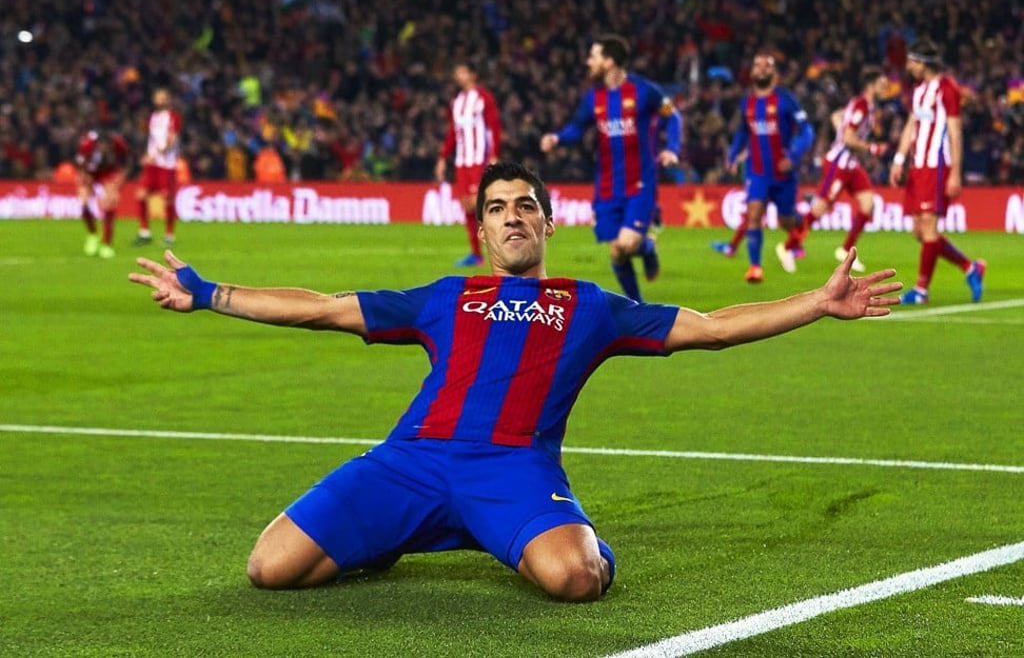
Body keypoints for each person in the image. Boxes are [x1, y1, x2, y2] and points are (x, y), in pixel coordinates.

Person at [129, 162, 901, 603]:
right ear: (482, 228)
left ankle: (565, 533)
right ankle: (394, 535)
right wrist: (210, 294)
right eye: (497, 208)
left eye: (525, 205)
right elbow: (326, 310)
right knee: (270, 570)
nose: (512, 217)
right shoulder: (447, 296)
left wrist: (818, 303)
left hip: (514, 468)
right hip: (414, 458)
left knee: (577, 581)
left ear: (546, 223)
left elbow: (715, 326)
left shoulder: (590, 307)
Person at [540, 34, 681, 302]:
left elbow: (672, 116)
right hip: (607, 185)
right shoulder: (594, 98)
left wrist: (672, 148)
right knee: (617, 251)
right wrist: (557, 137)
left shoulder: (644, 91)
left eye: (593, 56)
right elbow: (578, 127)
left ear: (609, 61)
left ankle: (647, 248)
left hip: (640, 183)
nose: (588, 61)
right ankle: (638, 304)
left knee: (628, 244)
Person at [888, 39, 985, 304]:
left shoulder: (947, 89)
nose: (908, 66)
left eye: (911, 61)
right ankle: (970, 266)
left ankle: (921, 290)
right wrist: (898, 159)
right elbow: (912, 125)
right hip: (917, 166)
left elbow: (954, 131)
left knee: (929, 228)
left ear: (922, 63)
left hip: (937, 165)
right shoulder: (919, 90)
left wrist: (955, 172)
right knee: (920, 232)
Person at [779, 66, 891, 274]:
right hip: (838, 164)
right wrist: (871, 147)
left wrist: (842, 126)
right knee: (819, 209)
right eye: (881, 82)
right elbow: (848, 138)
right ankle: (788, 247)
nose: (885, 86)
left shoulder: (862, 105)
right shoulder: (862, 106)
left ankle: (846, 249)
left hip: (850, 165)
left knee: (868, 204)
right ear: (871, 85)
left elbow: (836, 116)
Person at [714, 52, 814, 283]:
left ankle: (799, 228)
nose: (760, 69)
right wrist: (732, 154)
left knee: (786, 220)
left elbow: (807, 131)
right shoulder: (747, 101)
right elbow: (742, 131)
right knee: (754, 214)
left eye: (766, 66)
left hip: (784, 171)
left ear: (773, 73)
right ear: (751, 72)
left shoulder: (786, 100)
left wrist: (795, 155)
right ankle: (755, 267)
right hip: (757, 171)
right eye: (756, 65)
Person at [435, 61, 502, 267]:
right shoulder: (457, 102)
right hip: (462, 162)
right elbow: (452, 133)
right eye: (458, 72)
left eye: (463, 72)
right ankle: (476, 254)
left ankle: (498, 251)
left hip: (478, 160)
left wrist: (494, 154)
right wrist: (442, 157)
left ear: (473, 74)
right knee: (467, 207)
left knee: (481, 205)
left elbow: (495, 127)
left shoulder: (483, 98)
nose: (459, 76)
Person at [134, 87, 183, 248]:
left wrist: (155, 154)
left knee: (167, 199)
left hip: (167, 164)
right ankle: (144, 232)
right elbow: (151, 139)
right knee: (141, 195)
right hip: (152, 165)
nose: (159, 100)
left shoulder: (173, 117)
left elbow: (172, 139)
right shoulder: (153, 117)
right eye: (157, 97)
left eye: (163, 97)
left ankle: (169, 234)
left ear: (168, 100)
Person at [75, 129, 130, 259]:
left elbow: (127, 162)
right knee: (83, 202)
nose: (104, 149)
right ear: (97, 145)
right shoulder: (87, 145)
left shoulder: (118, 144)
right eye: (101, 147)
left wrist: (120, 180)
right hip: (90, 173)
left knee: (110, 203)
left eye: (107, 147)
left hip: (109, 172)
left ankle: (106, 244)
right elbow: (80, 166)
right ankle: (92, 234)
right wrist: (88, 182)